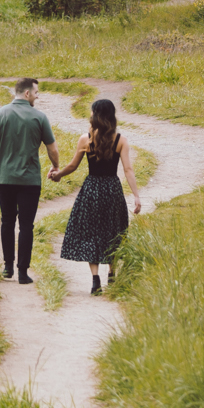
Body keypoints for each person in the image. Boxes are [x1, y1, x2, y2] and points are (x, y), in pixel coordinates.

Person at [50, 97, 142, 294]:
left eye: (92, 112)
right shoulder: (120, 140)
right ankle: (112, 273)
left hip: (91, 190)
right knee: (114, 231)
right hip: (112, 190)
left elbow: (73, 166)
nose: (90, 115)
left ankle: (95, 279)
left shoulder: (86, 139)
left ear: (97, 115)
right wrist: (136, 196)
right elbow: (128, 169)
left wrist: (58, 175)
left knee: (92, 233)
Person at [0, 77, 58, 285]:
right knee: (26, 226)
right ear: (27, 93)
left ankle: (7, 267)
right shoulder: (39, 117)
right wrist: (56, 166)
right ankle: (23, 272)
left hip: (5, 178)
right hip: (30, 180)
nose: (38, 97)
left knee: (7, 221)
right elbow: (52, 148)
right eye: (37, 93)